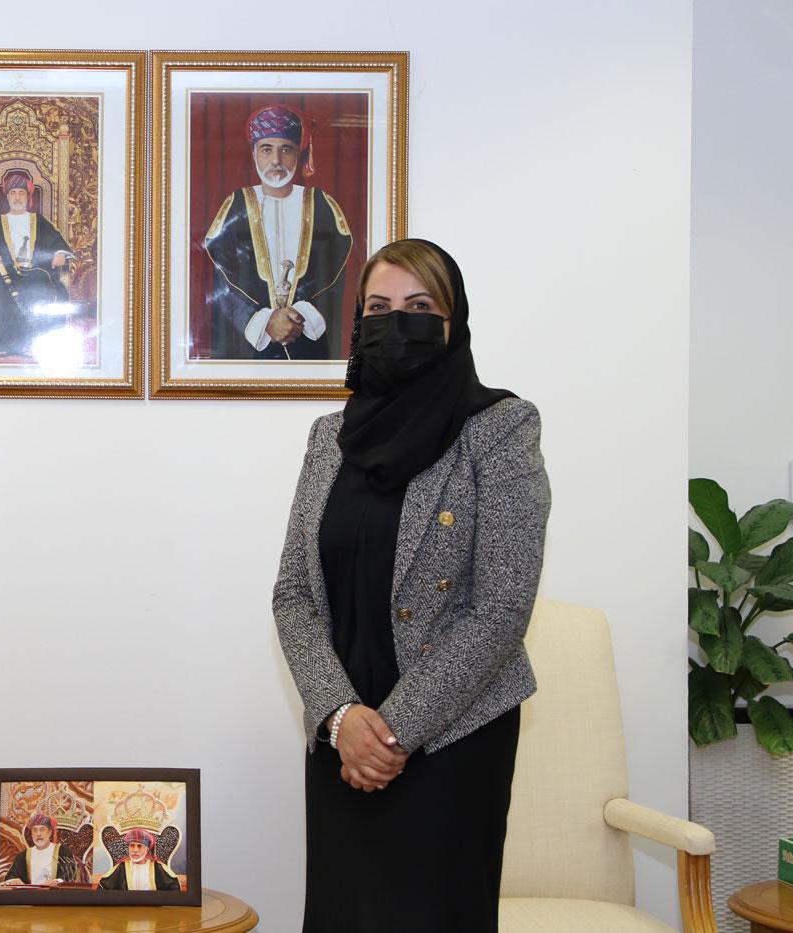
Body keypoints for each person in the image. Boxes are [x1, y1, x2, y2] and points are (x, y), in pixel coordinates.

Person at [272, 239, 550, 932]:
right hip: (342, 739)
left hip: (452, 740)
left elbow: (501, 607)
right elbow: (293, 594)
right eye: (378, 308)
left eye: (420, 307)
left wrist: (392, 733)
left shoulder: (500, 428)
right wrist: (343, 718)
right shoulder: (328, 436)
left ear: (453, 322)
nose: (397, 324)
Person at [202, 104, 353, 361]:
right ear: (254, 153)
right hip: (249, 348)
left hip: (309, 342)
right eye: (266, 149)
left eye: (286, 149)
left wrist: (300, 315)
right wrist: (264, 321)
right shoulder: (236, 205)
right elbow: (221, 278)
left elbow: (338, 272)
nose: (276, 160)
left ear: (298, 154)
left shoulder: (321, 205)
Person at [0, 168, 77, 358]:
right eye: (13, 193)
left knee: (42, 292)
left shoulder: (39, 221)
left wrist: (59, 253)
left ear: (27, 196)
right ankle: (5, 342)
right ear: (7, 196)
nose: (17, 197)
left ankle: (35, 342)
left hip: (35, 274)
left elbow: (58, 242)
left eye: (21, 193)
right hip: (5, 276)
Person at [1, 813, 78, 886]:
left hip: (54, 893)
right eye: (35, 830)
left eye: (42, 829)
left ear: (50, 832)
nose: (38, 834)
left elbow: (70, 873)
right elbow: (11, 876)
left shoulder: (62, 851)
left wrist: (57, 882)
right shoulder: (24, 855)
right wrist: (14, 880)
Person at [97, 829, 182, 892]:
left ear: (147, 849)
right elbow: (103, 887)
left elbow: (174, 888)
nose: (135, 850)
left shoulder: (158, 868)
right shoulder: (121, 868)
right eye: (132, 845)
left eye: (139, 846)